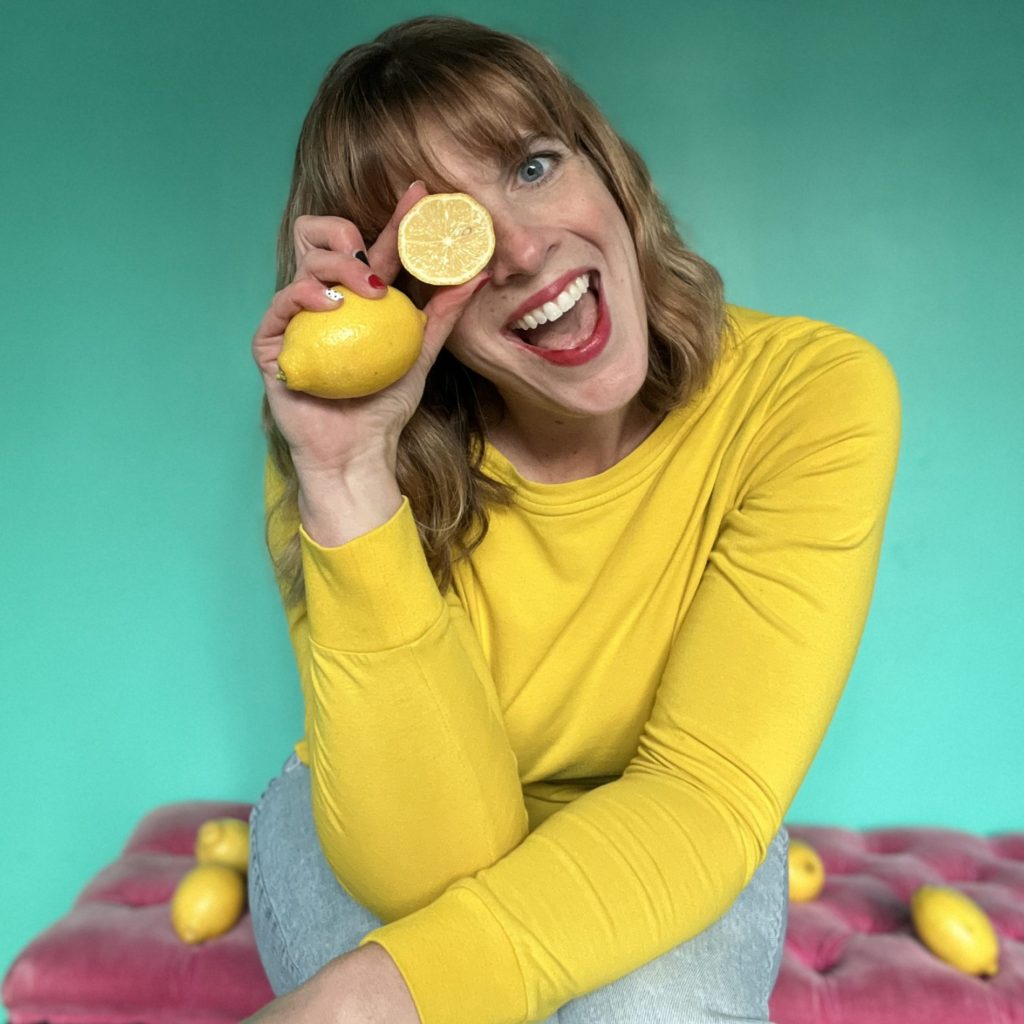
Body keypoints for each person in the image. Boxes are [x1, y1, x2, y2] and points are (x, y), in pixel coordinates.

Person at [245, 15, 900, 1024]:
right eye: (446, 230)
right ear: (394, 290)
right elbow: (426, 864)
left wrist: (367, 996)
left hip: (668, 819)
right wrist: (346, 473)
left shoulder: (810, 398)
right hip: (379, 823)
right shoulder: (336, 442)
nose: (514, 247)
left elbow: (697, 794)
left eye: (534, 165)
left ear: (610, 169)